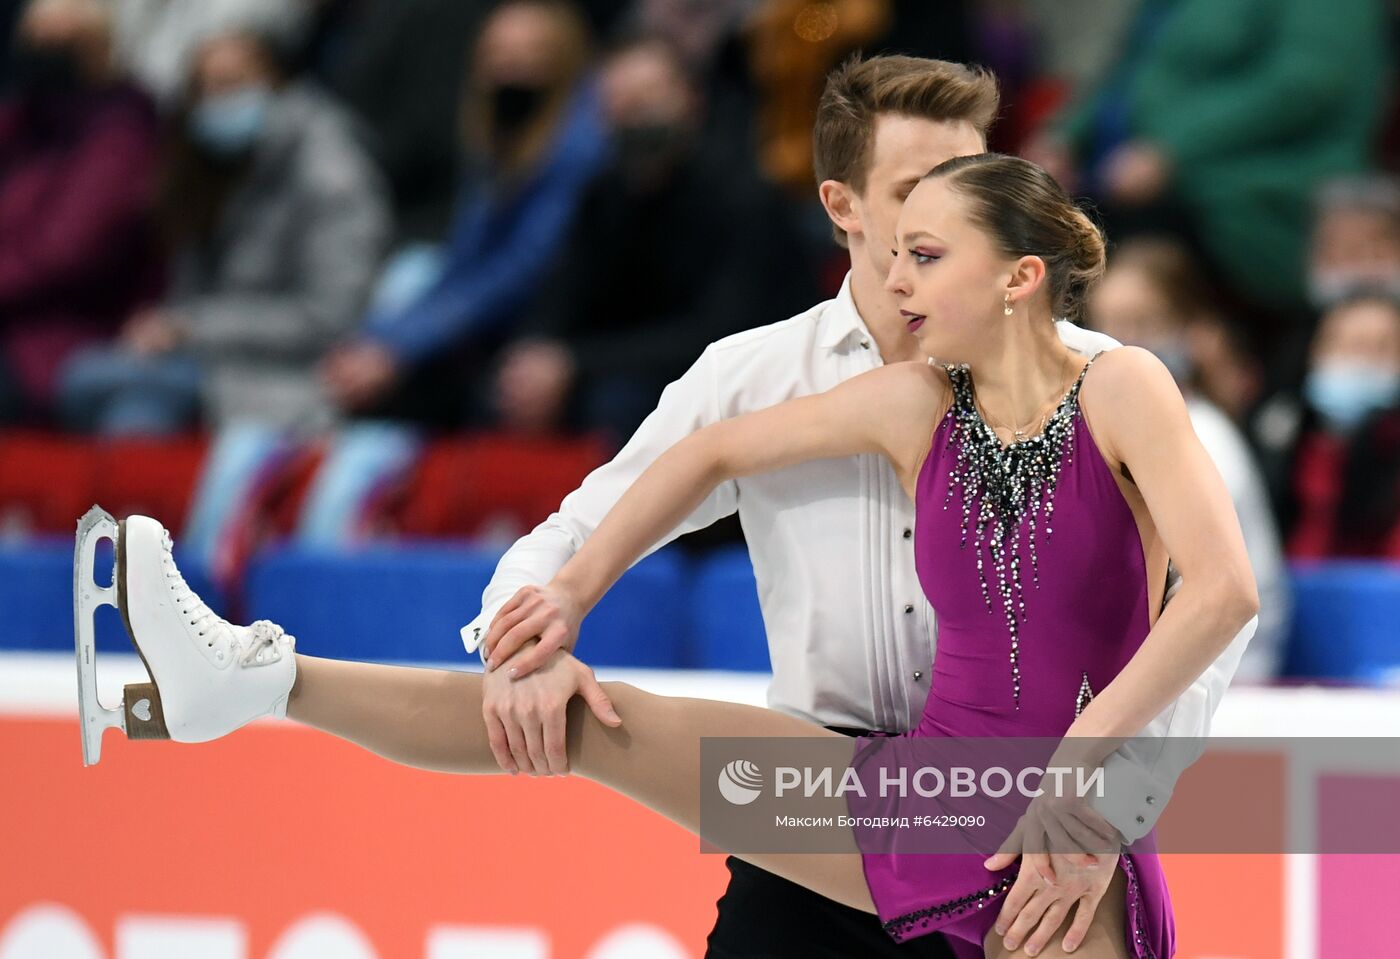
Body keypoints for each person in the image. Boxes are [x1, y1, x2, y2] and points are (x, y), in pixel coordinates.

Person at [109, 152, 1259, 959]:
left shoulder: (1124, 387)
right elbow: (703, 452)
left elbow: (1218, 593)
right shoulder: (912, 403)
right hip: (908, 795)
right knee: (574, 721)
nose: (893, 279)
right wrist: (568, 590)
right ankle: (253, 679)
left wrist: (1080, 783)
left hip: (1055, 814)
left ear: (1016, 278)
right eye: (893, 251)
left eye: (922, 253)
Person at [465, 55, 1255, 958]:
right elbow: (580, 524)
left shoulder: (1094, 377)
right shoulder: (754, 374)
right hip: (814, 811)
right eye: (921, 186)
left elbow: (1212, 609)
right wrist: (526, 627)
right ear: (843, 206)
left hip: (1024, 813)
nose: (955, 205)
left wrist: (1113, 798)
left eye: (972, 174)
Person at [1086, 238, 1289, 681]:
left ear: (1193, 332)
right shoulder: (1110, 425)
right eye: (1107, 324)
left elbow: (1206, 596)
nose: (1120, 343)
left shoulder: (1203, 433)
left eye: (1141, 322)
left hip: (1224, 675)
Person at [0, 0, 161, 424]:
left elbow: (65, 252)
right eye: (33, 34)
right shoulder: (25, 120)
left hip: (61, 343)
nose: (39, 47)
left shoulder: (121, 129)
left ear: (97, 43)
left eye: (57, 36)